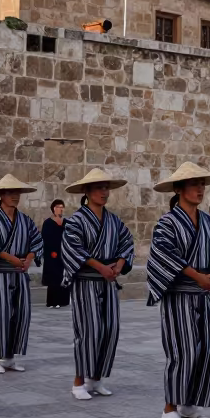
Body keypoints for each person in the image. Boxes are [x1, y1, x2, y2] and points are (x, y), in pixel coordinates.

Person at [147, 161, 210, 418]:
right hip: (179, 294)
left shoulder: (209, 222)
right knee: (182, 350)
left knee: (209, 349)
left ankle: (190, 404)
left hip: (204, 293)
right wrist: (199, 277)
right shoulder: (167, 223)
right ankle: (170, 406)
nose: (200, 189)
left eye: (202, 184)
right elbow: (164, 255)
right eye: (194, 184)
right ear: (180, 189)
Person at [61, 168, 134, 400]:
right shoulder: (75, 221)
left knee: (110, 329)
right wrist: (99, 266)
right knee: (88, 329)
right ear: (87, 191)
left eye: (106, 188)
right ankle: (78, 381)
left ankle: (96, 378)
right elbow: (73, 248)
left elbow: (126, 242)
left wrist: (120, 265)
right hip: (86, 282)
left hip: (109, 281)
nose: (104, 192)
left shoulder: (114, 221)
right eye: (99, 188)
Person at [0, 174, 43, 374]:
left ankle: (10, 357)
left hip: (20, 273)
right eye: (11, 192)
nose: (15, 196)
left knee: (21, 314)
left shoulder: (26, 220)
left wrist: (30, 257)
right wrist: (10, 258)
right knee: (0, 313)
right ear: (1, 195)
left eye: (17, 192)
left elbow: (36, 241)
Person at [41, 199, 70, 307]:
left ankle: (63, 301)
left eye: (62, 207)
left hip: (64, 254)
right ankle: (53, 301)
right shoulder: (48, 223)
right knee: (54, 277)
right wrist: (51, 252)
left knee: (64, 276)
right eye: (59, 207)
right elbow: (45, 239)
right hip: (52, 255)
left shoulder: (66, 223)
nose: (61, 209)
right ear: (54, 208)